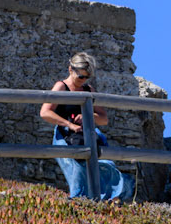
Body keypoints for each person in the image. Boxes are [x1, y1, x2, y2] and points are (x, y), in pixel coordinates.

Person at [40, 52, 135, 203]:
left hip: (88, 134)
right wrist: (69, 124)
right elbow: (45, 112)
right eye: (81, 77)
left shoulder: (88, 90)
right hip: (66, 136)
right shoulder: (61, 87)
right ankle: (80, 201)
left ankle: (105, 198)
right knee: (77, 167)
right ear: (70, 69)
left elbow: (103, 119)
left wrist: (87, 116)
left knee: (106, 165)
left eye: (86, 77)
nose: (83, 80)